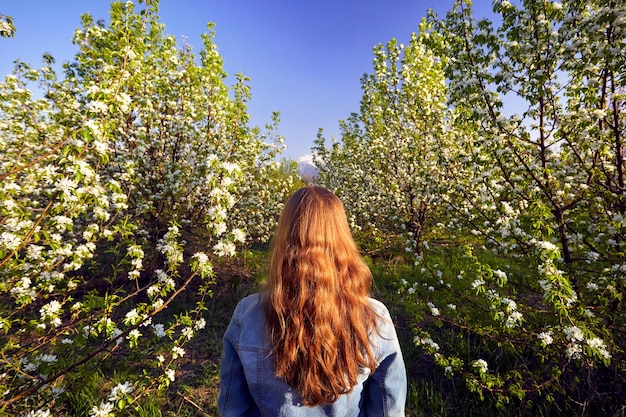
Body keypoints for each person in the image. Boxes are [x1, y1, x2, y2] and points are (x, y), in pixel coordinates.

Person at [218, 185, 407, 416]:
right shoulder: (373, 318)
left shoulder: (247, 315)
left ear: (284, 236)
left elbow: (232, 409)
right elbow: (388, 408)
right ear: (342, 238)